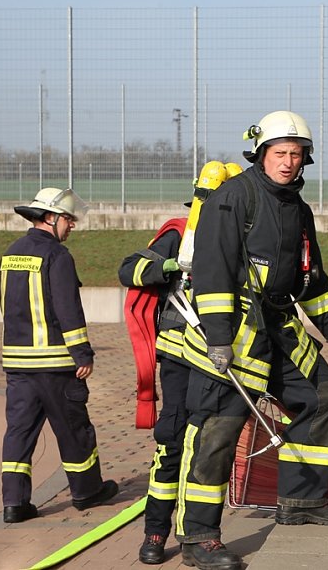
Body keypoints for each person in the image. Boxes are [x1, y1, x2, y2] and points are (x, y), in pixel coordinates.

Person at [175, 110, 328, 570]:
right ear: (261, 154)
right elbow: (212, 272)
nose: (289, 162)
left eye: (297, 155)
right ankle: (199, 537)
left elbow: (311, 277)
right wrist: (219, 339)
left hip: (279, 326)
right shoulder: (232, 198)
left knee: (321, 395)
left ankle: (301, 502)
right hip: (235, 336)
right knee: (218, 431)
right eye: (280, 153)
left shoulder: (298, 209)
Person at [119, 161, 239, 565]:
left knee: (202, 445)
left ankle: (196, 534)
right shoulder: (177, 233)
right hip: (178, 356)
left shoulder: (239, 237)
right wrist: (168, 266)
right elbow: (129, 269)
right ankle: (155, 533)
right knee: (170, 444)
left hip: (215, 359)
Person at [0, 187, 118, 524]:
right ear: (50, 218)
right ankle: (86, 491)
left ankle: (14, 503)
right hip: (55, 365)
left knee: (19, 433)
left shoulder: (10, 254)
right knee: (74, 429)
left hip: (18, 365)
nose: (72, 226)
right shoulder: (57, 257)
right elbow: (68, 309)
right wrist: (83, 354)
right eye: (68, 219)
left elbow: (8, 308)